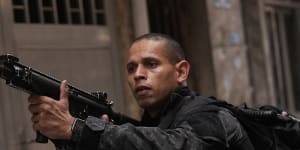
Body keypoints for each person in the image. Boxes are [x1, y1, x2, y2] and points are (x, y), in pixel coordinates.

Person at [28, 33, 255, 150]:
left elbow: (175, 146)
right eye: (131, 68)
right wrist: (67, 136)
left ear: (181, 72)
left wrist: (76, 129)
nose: (138, 74)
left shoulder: (208, 115)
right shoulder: (154, 123)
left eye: (151, 64)